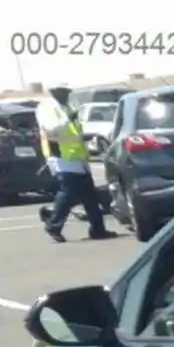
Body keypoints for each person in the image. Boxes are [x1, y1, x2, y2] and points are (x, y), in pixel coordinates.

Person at [36, 85, 113, 242]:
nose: (66, 95)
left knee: (89, 195)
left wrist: (83, 136)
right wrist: (68, 119)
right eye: (63, 92)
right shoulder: (47, 108)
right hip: (61, 157)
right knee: (68, 193)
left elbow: (74, 131)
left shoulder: (66, 106)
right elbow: (51, 130)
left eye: (67, 92)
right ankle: (53, 224)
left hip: (77, 156)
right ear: (54, 92)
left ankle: (98, 229)